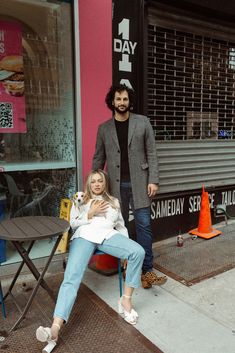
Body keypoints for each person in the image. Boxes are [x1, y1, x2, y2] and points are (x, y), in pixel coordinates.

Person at [36, 169, 145, 353]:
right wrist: (90, 213)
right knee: (72, 277)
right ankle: (55, 328)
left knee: (138, 252)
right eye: (93, 181)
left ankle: (125, 300)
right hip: (84, 236)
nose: (97, 184)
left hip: (107, 236)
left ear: (104, 183)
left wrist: (126, 250)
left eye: (100, 181)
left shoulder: (114, 202)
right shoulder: (80, 200)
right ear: (89, 184)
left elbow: (120, 226)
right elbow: (71, 224)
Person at [92, 84, 167, 289]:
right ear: (112, 102)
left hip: (141, 183)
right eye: (118, 99)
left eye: (125, 99)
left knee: (144, 226)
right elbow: (98, 158)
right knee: (119, 227)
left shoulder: (143, 123)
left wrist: (154, 180)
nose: (122, 103)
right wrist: (93, 188)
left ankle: (147, 269)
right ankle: (126, 266)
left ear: (129, 101)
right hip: (116, 187)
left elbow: (152, 153)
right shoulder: (104, 128)